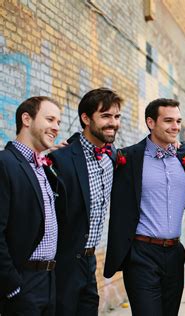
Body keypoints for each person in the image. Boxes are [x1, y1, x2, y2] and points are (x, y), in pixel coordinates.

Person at [104, 98, 185, 316]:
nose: (175, 127)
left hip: (174, 253)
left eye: (178, 121)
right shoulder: (129, 158)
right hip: (141, 254)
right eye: (168, 121)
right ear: (151, 122)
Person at [49, 88, 122, 315]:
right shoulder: (60, 158)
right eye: (106, 116)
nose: (113, 123)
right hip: (62, 263)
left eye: (117, 116)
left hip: (90, 263)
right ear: (86, 118)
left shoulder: (112, 157)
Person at [0, 96, 64, 315]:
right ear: (26, 119)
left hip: (48, 280)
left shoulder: (43, 167)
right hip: (22, 282)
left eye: (59, 122)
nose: (56, 127)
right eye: (50, 119)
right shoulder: (5, 163)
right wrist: (12, 286)